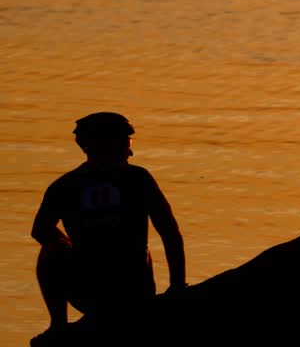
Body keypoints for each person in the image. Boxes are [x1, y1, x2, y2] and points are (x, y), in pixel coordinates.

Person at [30, 112, 186, 344]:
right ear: (111, 143)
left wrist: (71, 246)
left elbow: (40, 230)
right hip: (135, 290)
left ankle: (58, 325)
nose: (130, 151)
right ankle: (61, 325)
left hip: (91, 293)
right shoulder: (138, 178)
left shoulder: (64, 185)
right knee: (53, 249)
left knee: (52, 249)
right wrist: (177, 287)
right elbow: (169, 231)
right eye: (127, 142)